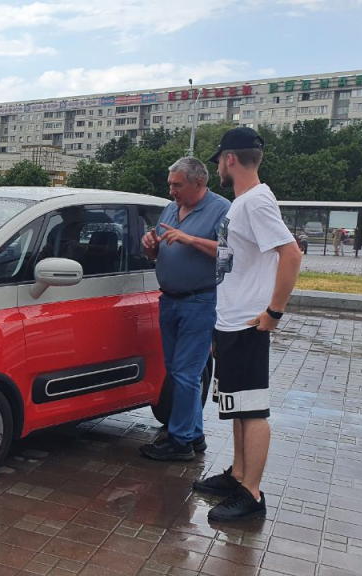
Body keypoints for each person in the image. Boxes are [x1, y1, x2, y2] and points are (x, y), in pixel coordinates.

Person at [194, 127, 302, 521]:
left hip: (249, 323)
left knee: (253, 409)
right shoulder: (243, 203)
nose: (218, 169)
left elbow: (291, 254)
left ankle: (252, 493)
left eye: (219, 162)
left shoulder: (256, 201)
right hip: (231, 320)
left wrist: (274, 312)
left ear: (230, 159)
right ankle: (238, 474)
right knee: (237, 405)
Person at [139, 157, 230, 461]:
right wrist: (151, 247)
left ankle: (179, 442)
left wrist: (189, 239)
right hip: (170, 300)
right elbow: (159, 252)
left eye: (177, 185)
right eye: (170, 185)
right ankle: (195, 434)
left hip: (199, 302)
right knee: (178, 372)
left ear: (199, 183)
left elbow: (230, 254)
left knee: (186, 373)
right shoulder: (171, 208)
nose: (172, 191)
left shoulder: (222, 209)